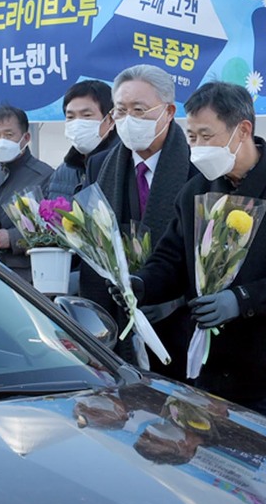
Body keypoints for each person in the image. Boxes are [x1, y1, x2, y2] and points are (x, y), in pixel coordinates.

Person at [130, 81, 266, 432]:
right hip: (208, 369)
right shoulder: (195, 192)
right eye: (192, 136)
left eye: (206, 135)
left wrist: (242, 300)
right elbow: (171, 259)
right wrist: (140, 284)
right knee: (214, 463)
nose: (198, 146)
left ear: (243, 130)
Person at [79, 64, 197, 378]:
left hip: (179, 323)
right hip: (117, 318)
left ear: (169, 112)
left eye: (139, 110)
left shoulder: (196, 167)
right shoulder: (100, 165)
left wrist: (169, 297)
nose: (129, 119)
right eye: (121, 110)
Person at [0, 104, 54, 282]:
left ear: (26, 137)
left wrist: (12, 237)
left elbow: (53, 229)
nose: (2, 141)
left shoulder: (45, 176)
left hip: (27, 277)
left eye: (9, 135)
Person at [45, 79, 118, 203]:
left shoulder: (124, 165)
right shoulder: (63, 171)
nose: (77, 123)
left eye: (87, 115)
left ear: (110, 120)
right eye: (70, 117)